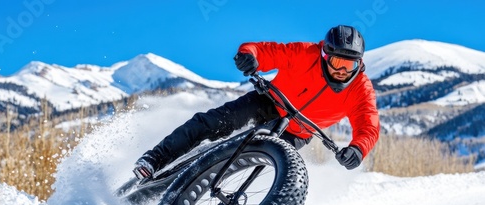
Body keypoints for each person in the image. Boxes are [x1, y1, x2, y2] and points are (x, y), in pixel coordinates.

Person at [133, 25, 380, 180]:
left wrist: (358, 149)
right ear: (325, 55)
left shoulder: (361, 89)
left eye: (351, 65)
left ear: (360, 64)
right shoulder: (305, 54)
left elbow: (368, 125)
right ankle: (154, 159)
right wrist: (249, 57)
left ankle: (198, 190)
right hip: (268, 101)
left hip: (298, 131)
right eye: (338, 63)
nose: (343, 71)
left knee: (249, 163)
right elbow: (264, 51)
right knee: (210, 123)